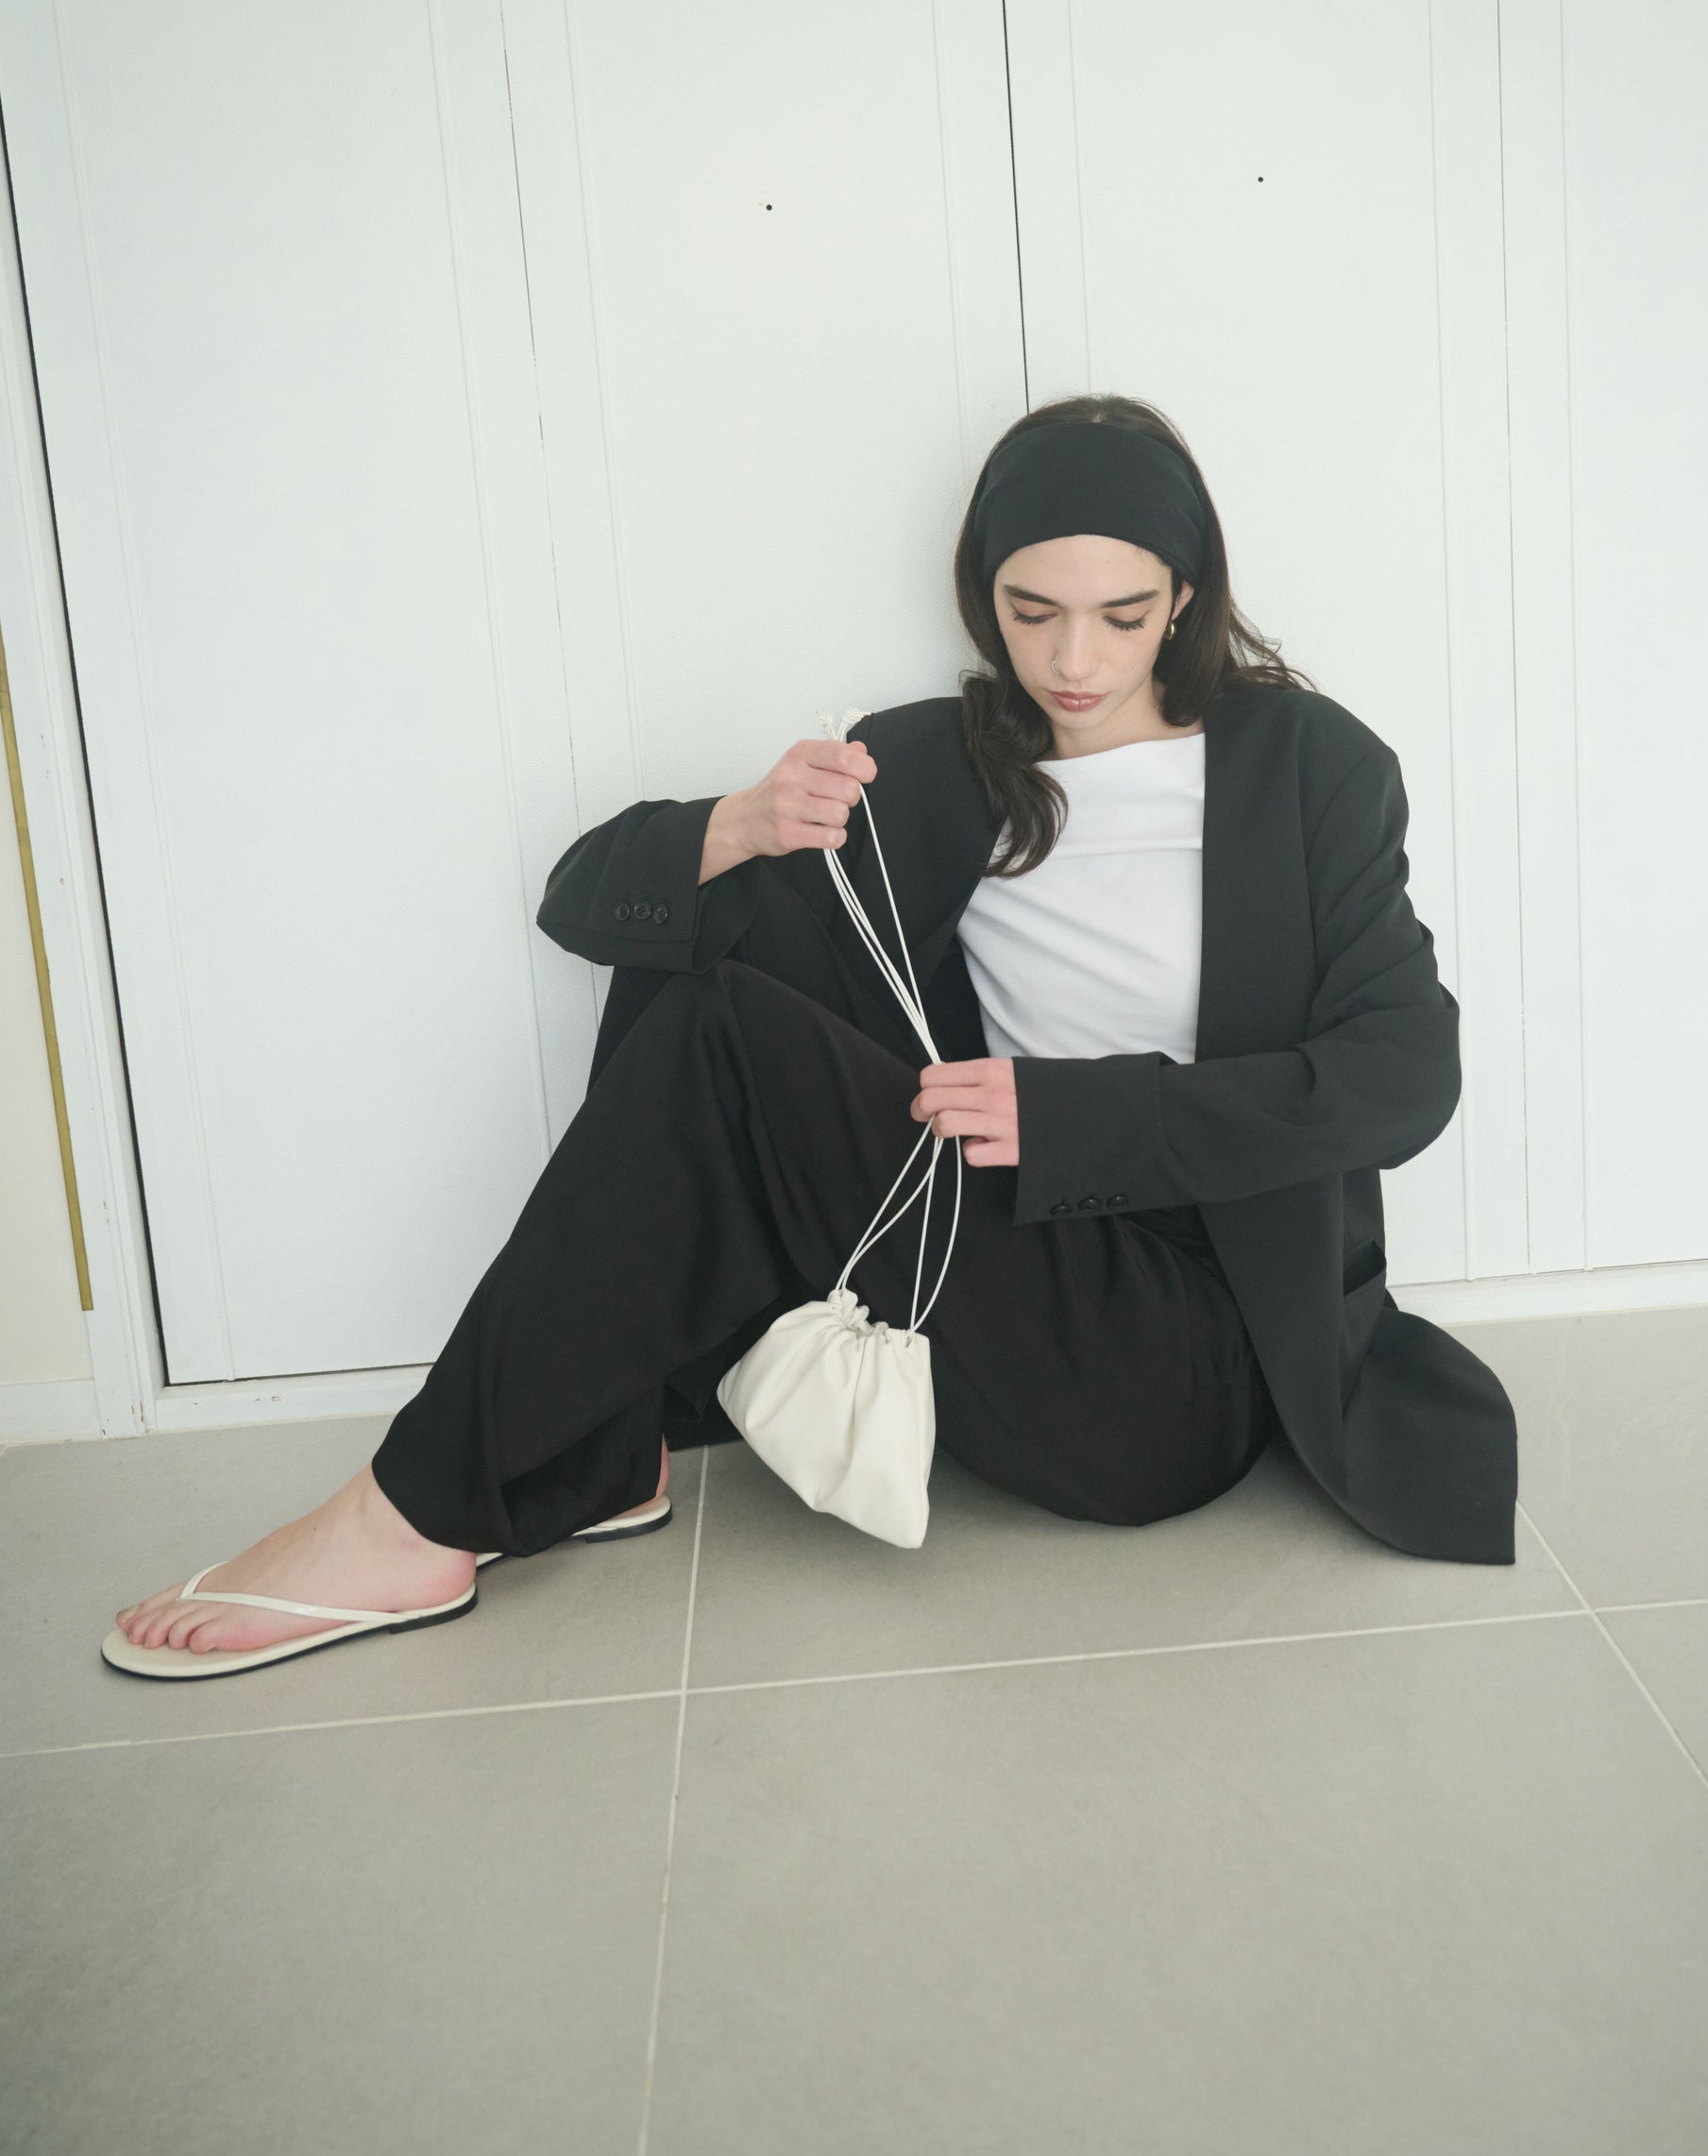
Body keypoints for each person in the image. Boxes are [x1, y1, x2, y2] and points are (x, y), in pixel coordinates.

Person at [105, 395, 1515, 1678]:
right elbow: (588, 903)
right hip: (991, 1253)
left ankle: (413, 1514)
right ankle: (599, 1449)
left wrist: (1080, 1116)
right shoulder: (938, 764)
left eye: (1122, 615)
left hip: (1178, 1364)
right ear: (982, 594)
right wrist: (733, 826)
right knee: (707, 964)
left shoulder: (1306, 768)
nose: (1072, 660)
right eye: (1030, 612)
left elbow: (1405, 1073)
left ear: (1186, 597)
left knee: (724, 1024)